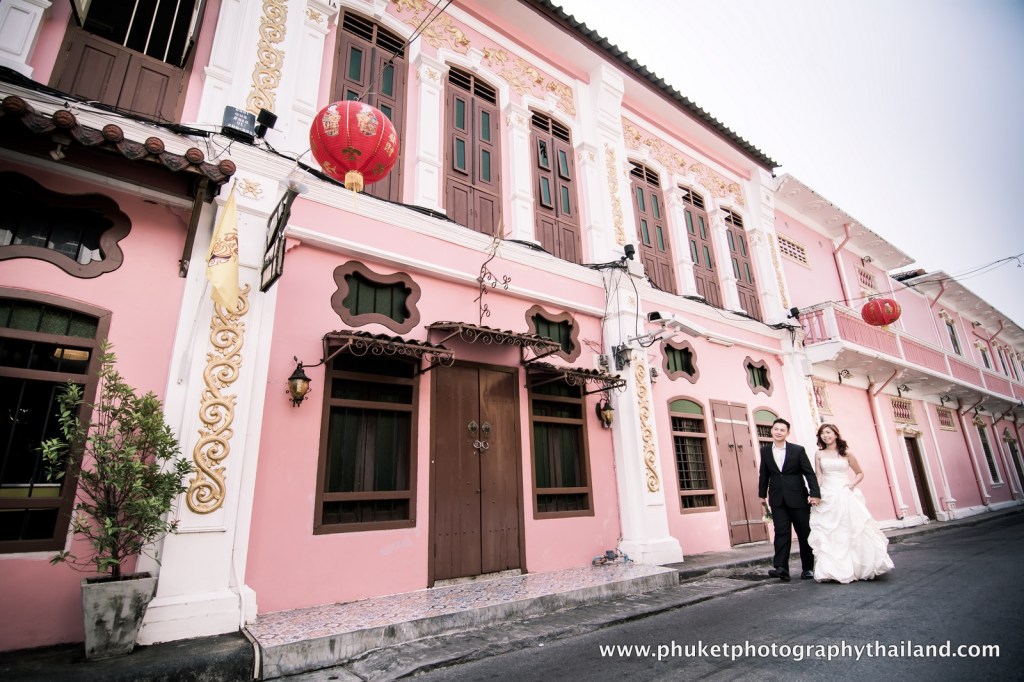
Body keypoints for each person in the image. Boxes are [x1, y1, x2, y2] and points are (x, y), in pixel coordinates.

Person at [807, 423, 894, 583]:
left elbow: (860, 473)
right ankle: (831, 569)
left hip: (844, 492)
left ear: (835, 434)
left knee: (851, 529)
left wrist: (852, 485)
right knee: (831, 532)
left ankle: (858, 567)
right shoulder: (818, 454)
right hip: (828, 495)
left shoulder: (846, 453)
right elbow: (818, 476)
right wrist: (815, 493)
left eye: (828, 432)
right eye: (822, 434)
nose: (825, 436)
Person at [758, 418, 820, 581]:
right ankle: (781, 568)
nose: (778, 432)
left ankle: (808, 568)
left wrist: (814, 493)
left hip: (798, 497)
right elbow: (763, 473)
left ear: (787, 433)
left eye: (782, 430)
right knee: (781, 533)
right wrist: (761, 495)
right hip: (777, 498)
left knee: (804, 533)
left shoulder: (797, 450)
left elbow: (809, 473)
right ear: (771, 430)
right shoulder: (765, 451)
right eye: (775, 429)